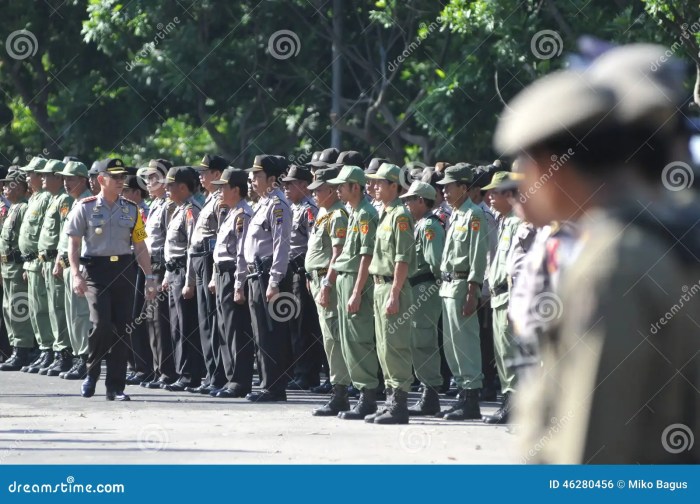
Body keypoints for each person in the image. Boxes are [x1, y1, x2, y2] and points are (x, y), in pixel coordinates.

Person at [496, 64, 699, 463]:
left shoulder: (612, 263)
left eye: (526, 162)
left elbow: (592, 445)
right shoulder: (660, 238)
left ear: (548, 166)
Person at [64, 158, 157, 401]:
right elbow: (73, 245)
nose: (120, 181)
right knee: (101, 324)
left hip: (124, 271)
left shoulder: (131, 209)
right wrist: (76, 275)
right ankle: (92, 373)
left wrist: (149, 277)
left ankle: (116, 386)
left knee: (122, 328)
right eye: (115, 177)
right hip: (96, 272)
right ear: (101, 180)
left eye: (122, 177)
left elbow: (140, 245)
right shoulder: (84, 208)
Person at [324, 165, 381, 420]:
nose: (337, 190)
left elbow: (366, 257)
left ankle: (367, 396)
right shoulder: (355, 212)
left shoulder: (367, 214)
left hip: (355, 281)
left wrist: (357, 291)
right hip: (344, 279)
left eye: (341, 186)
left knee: (359, 340)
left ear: (355, 187)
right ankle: (358, 393)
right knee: (347, 340)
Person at [362, 163, 417, 424]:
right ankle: (390, 399)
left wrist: (395, 292)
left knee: (395, 347)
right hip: (379, 285)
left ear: (394, 186)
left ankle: (400, 404)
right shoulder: (384, 213)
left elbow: (402, 258)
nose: (373, 187)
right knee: (383, 347)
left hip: (392, 287)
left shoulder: (400, 216)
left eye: (380, 183)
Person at [435, 164, 488, 420]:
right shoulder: (455, 214)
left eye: (449, 186)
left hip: (462, 284)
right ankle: (462, 393)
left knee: (465, 343)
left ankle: (471, 398)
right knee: (451, 345)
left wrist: (473, 290)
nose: (444, 191)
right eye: (443, 187)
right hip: (448, 285)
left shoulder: (474, 215)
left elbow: (478, 256)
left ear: (464, 188)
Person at [480, 171, 533, 423]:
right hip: (498, 294)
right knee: (501, 352)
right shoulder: (503, 221)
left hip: (508, 295)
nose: (489, 197)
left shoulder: (515, 222)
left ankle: (513, 405)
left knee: (509, 352)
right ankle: (508, 400)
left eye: (496, 192)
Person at [243, 154, 293, 402]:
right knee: (260, 332)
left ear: (272, 179)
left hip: (268, 275)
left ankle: (275, 386)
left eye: (257, 175)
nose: (251, 179)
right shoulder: (262, 204)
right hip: (255, 273)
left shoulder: (278, 205)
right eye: (252, 175)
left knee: (272, 333)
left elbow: (281, 246)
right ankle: (266, 382)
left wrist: (274, 280)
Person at [305, 166, 353, 416]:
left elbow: (337, 254)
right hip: (317, 280)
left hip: (328, 283)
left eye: (319, 189)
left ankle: (341, 393)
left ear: (333, 190)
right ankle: (339, 390)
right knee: (327, 337)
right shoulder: (324, 213)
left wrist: (326, 284)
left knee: (334, 339)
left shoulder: (337, 216)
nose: (314, 193)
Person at [184, 155, 229, 394]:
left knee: (214, 320)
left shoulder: (221, 201)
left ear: (217, 174)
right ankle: (212, 374)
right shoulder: (210, 199)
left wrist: (212, 273)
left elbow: (221, 238)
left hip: (211, 260)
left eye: (205, 172)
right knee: (205, 322)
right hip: (200, 259)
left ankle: (218, 376)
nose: (200, 177)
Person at [400, 180, 445, 416]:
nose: (406, 203)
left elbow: (436, 264)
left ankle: (431, 394)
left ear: (420, 200)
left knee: (423, 341)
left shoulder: (430, 227)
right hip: (416, 289)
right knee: (417, 341)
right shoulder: (419, 225)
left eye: (410, 199)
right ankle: (427, 391)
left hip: (425, 289)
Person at [209, 167, 255, 398]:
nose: (219, 192)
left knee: (237, 330)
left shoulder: (243, 214)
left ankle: (239, 381)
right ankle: (229, 378)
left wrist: (239, 284)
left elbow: (242, 254)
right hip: (221, 274)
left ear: (236, 189)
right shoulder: (231, 212)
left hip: (233, 275)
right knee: (224, 328)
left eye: (223, 187)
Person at [161, 166, 204, 392]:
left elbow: (191, 249)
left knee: (186, 325)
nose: (166, 189)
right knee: (176, 325)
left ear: (183, 187)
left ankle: (190, 374)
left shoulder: (192, 211)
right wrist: (168, 275)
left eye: (170, 185)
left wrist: (189, 281)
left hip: (184, 273)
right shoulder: (178, 209)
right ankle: (181, 372)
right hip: (174, 271)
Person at [281, 164, 323, 390]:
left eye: (291, 184)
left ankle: (308, 373)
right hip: (291, 271)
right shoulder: (293, 208)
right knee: (293, 325)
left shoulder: (310, 210)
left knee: (305, 325)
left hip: (302, 271)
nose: (286, 188)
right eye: (284, 184)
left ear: (305, 186)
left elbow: (313, 245)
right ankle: (299, 371)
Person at [139, 159, 178, 389]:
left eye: (154, 177)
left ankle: (167, 371)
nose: (149, 181)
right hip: (149, 265)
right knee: (151, 319)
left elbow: (168, 241)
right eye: (147, 177)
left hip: (161, 266)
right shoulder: (155, 204)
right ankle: (157, 369)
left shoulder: (169, 206)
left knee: (160, 320)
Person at [34, 159, 73, 376]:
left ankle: (64, 354)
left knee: (60, 308)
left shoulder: (64, 200)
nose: (42, 178)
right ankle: (52, 351)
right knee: (49, 308)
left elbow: (64, 235)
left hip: (58, 261)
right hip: (46, 261)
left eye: (47, 175)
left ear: (58, 177)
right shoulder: (53, 199)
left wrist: (61, 262)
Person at [55, 161, 93, 380]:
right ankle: (79, 355)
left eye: (70, 179)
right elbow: (67, 239)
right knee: (72, 315)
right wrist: (60, 259)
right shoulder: (75, 203)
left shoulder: (87, 203)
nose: (66, 183)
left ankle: (85, 359)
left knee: (81, 315)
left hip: (82, 267)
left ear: (82, 180)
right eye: (64, 179)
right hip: (70, 267)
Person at [18, 157, 54, 374]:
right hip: (30, 261)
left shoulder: (48, 199)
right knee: (36, 309)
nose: (27, 176)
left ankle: (53, 352)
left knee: (48, 308)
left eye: (31, 172)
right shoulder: (34, 199)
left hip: (42, 261)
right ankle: (44, 350)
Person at [121, 174, 155, 385]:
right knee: (128, 317)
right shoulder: (125, 210)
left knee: (138, 318)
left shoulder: (142, 211)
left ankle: (144, 367)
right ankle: (136, 365)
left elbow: (143, 242)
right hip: (127, 265)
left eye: (126, 190)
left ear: (136, 192)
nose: (122, 193)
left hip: (140, 265)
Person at [0, 170, 35, 371]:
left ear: (20, 187)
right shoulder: (13, 208)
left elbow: (24, 240)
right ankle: (15, 347)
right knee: (9, 309)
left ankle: (22, 349)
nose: (5, 188)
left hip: (17, 266)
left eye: (9, 184)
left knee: (18, 309)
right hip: (7, 267)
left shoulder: (22, 208)